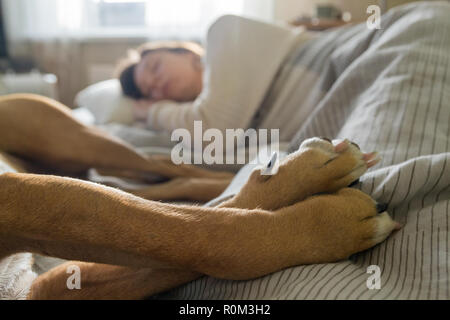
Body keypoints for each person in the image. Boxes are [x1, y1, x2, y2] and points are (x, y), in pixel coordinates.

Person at [117, 15, 314, 142]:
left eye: (155, 67)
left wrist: (152, 111)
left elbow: (214, 133)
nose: (156, 83)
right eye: (150, 92)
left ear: (185, 52)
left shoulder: (224, 30)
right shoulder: (207, 116)